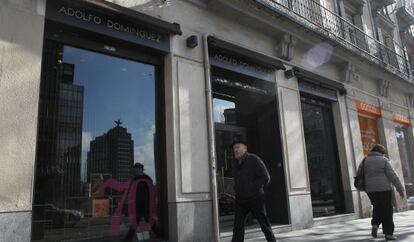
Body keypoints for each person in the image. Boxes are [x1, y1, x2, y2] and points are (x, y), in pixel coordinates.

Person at [231, 139, 276, 242]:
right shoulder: (235, 163)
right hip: (241, 200)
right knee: (237, 226)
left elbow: (265, 178)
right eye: (234, 148)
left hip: (255, 198)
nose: (235, 150)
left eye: (238, 147)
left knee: (264, 224)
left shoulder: (254, 159)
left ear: (245, 149)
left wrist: (251, 187)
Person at [357, 144, 405, 241]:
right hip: (384, 189)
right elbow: (393, 175)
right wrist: (400, 189)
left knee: (378, 207)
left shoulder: (364, 160)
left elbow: (359, 174)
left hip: (370, 189)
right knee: (387, 210)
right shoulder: (383, 160)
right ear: (381, 152)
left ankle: (375, 223)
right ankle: (388, 234)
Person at [123, 162, 155, 241]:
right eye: (135, 169)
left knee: (146, 220)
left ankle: (128, 238)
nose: (135, 171)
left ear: (141, 170)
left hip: (145, 205)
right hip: (138, 205)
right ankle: (128, 238)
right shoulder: (135, 179)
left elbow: (151, 192)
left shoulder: (147, 179)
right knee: (139, 221)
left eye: (136, 169)